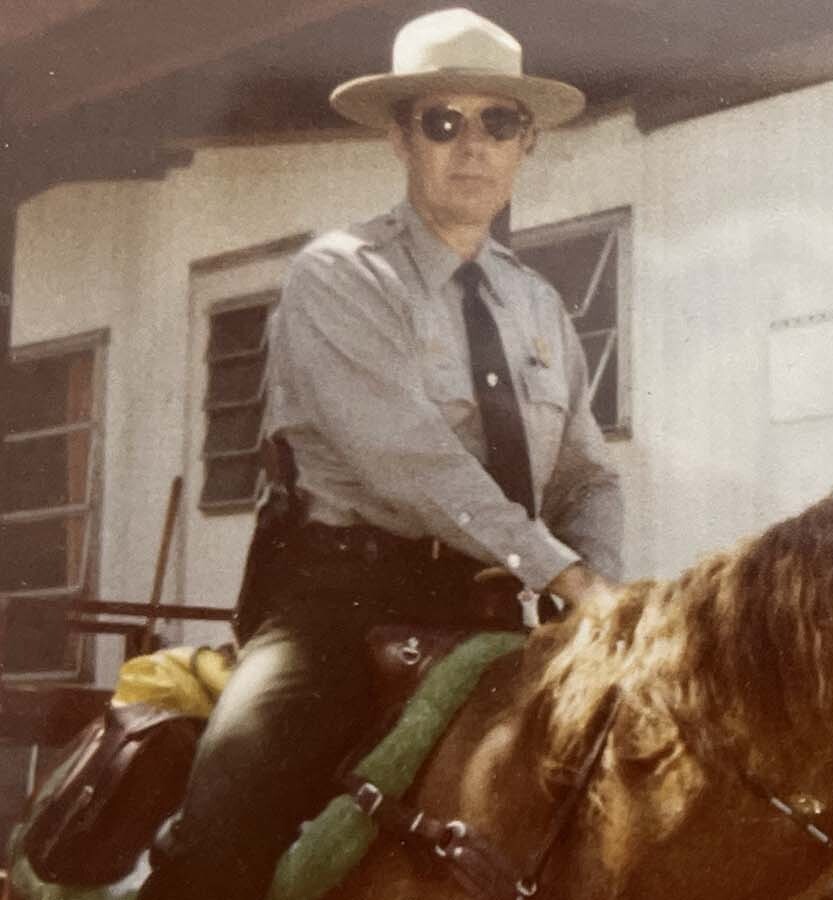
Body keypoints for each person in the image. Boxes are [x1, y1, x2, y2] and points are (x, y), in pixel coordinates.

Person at [138, 9, 623, 899]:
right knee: (226, 819)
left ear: (527, 144)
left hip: (494, 607)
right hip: (341, 605)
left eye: (498, 122)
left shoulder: (539, 306)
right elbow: (411, 463)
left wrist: (601, 602)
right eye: (442, 121)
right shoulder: (341, 274)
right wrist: (571, 578)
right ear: (400, 138)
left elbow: (586, 473)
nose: (472, 146)